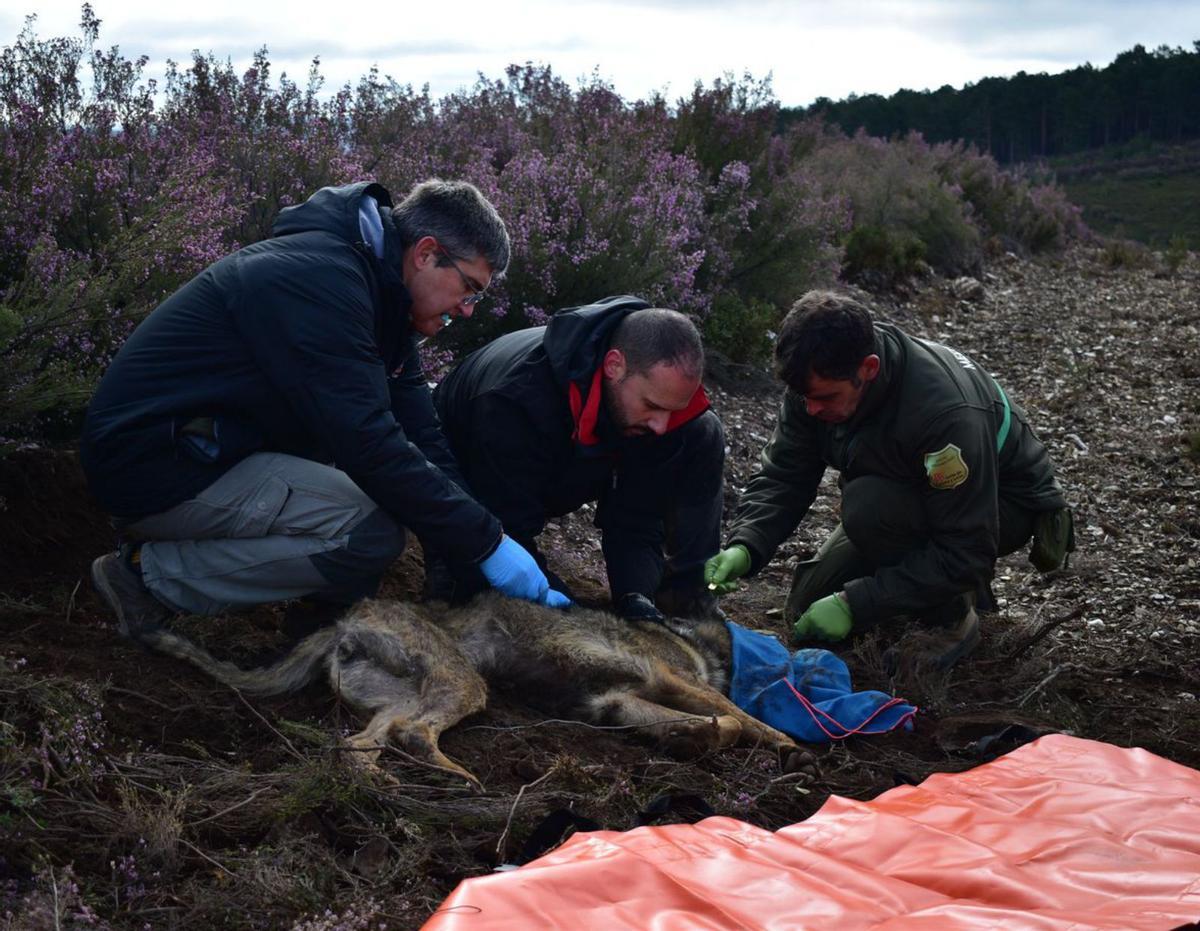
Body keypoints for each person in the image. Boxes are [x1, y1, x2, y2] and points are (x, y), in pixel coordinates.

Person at [82, 179, 568, 643]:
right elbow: (368, 442)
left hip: (209, 451)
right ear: (425, 254)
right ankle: (146, 578)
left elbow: (424, 438)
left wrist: (484, 548)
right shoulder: (320, 282)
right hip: (155, 468)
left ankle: (319, 623)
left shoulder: (381, 305)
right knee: (369, 532)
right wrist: (486, 545)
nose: (467, 310)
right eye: (470, 289)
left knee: (378, 502)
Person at [705, 290, 1073, 669]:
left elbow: (969, 549)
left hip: (999, 504)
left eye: (825, 398)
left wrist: (854, 603)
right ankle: (922, 585)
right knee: (805, 605)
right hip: (905, 489)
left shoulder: (944, 414)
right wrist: (745, 546)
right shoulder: (815, 381)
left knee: (869, 510)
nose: (812, 409)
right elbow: (786, 474)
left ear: (869, 368)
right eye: (804, 397)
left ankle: (952, 618)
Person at [431, 296, 725, 622]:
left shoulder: (644, 403)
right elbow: (504, 534)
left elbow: (635, 517)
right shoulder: (516, 400)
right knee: (472, 596)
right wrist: (573, 614)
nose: (661, 425)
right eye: (653, 406)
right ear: (614, 365)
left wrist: (634, 596)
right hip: (457, 471)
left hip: (566, 456)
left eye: (672, 410)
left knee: (701, 429)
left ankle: (687, 602)